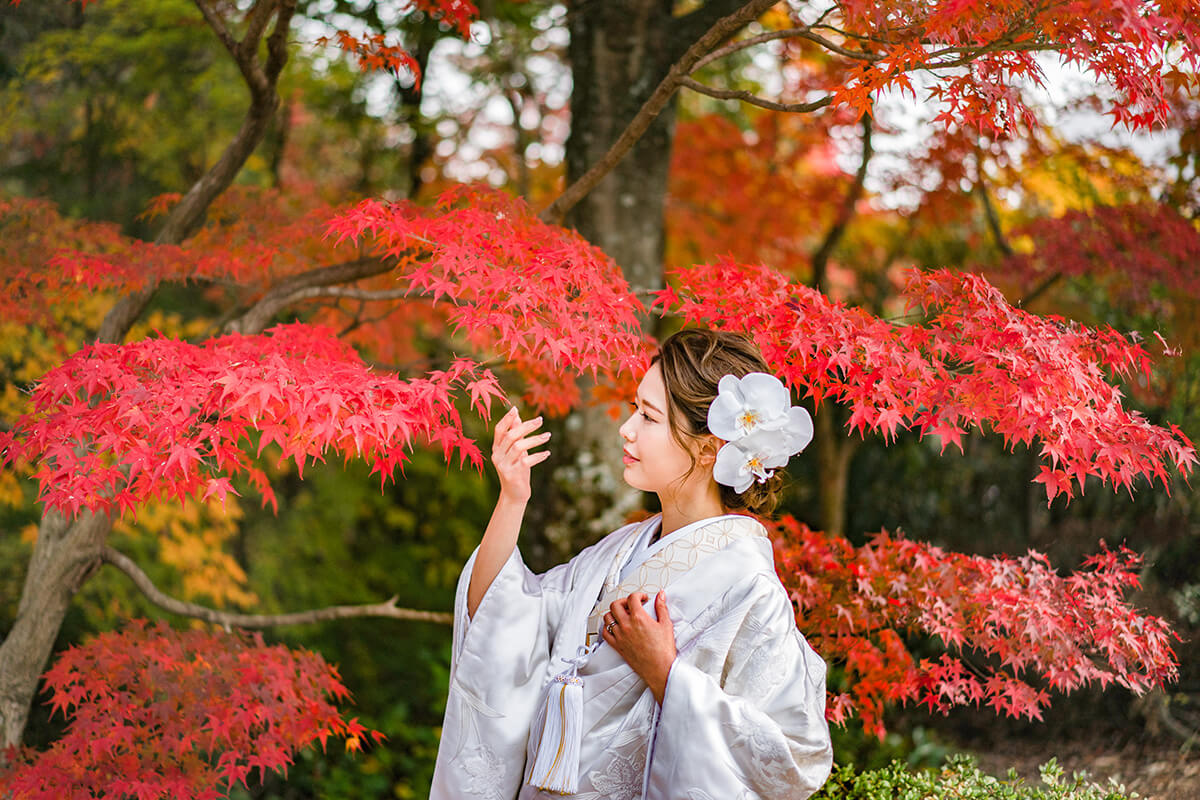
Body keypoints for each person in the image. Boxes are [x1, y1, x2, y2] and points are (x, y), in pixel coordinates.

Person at [430, 329, 833, 800]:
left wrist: (667, 673)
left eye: (648, 416)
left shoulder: (751, 589)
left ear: (708, 449)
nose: (627, 428)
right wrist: (513, 498)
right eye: (634, 409)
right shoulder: (621, 548)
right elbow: (500, 618)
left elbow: (791, 758)